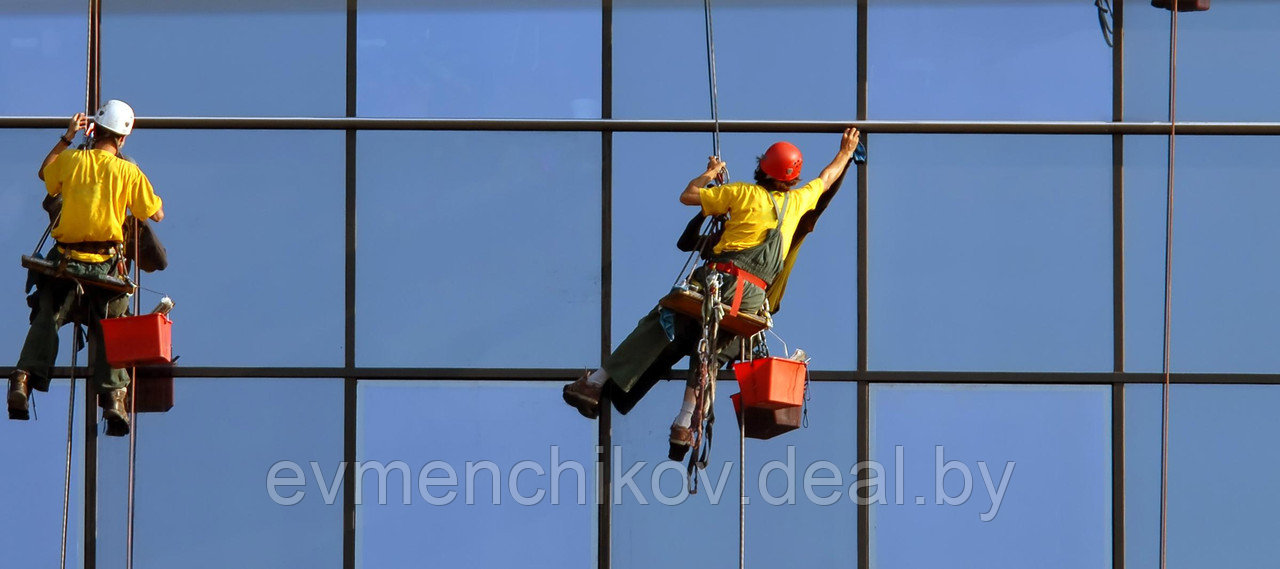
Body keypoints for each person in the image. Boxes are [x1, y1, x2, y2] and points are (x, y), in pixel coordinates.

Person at [563, 127, 860, 458]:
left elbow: (688, 196)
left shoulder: (741, 194)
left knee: (661, 323)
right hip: (751, 299)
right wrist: (846, 152)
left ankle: (596, 383)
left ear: (762, 168)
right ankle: (684, 422)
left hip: (720, 281)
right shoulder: (799, 200)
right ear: (792, 178)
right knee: (713, 352)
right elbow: (828, 177)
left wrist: (710, 174)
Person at [7, 100, 165, 436]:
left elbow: (45, 174)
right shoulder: (127, 172)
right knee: (113, 326)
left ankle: (23, 378)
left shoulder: (71, 160)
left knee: (47, 316)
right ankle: (113, 400)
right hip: (104, 266)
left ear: (94, 131)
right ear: (122, 139)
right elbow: (155, 213)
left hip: (65, 260)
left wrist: (67, 137)